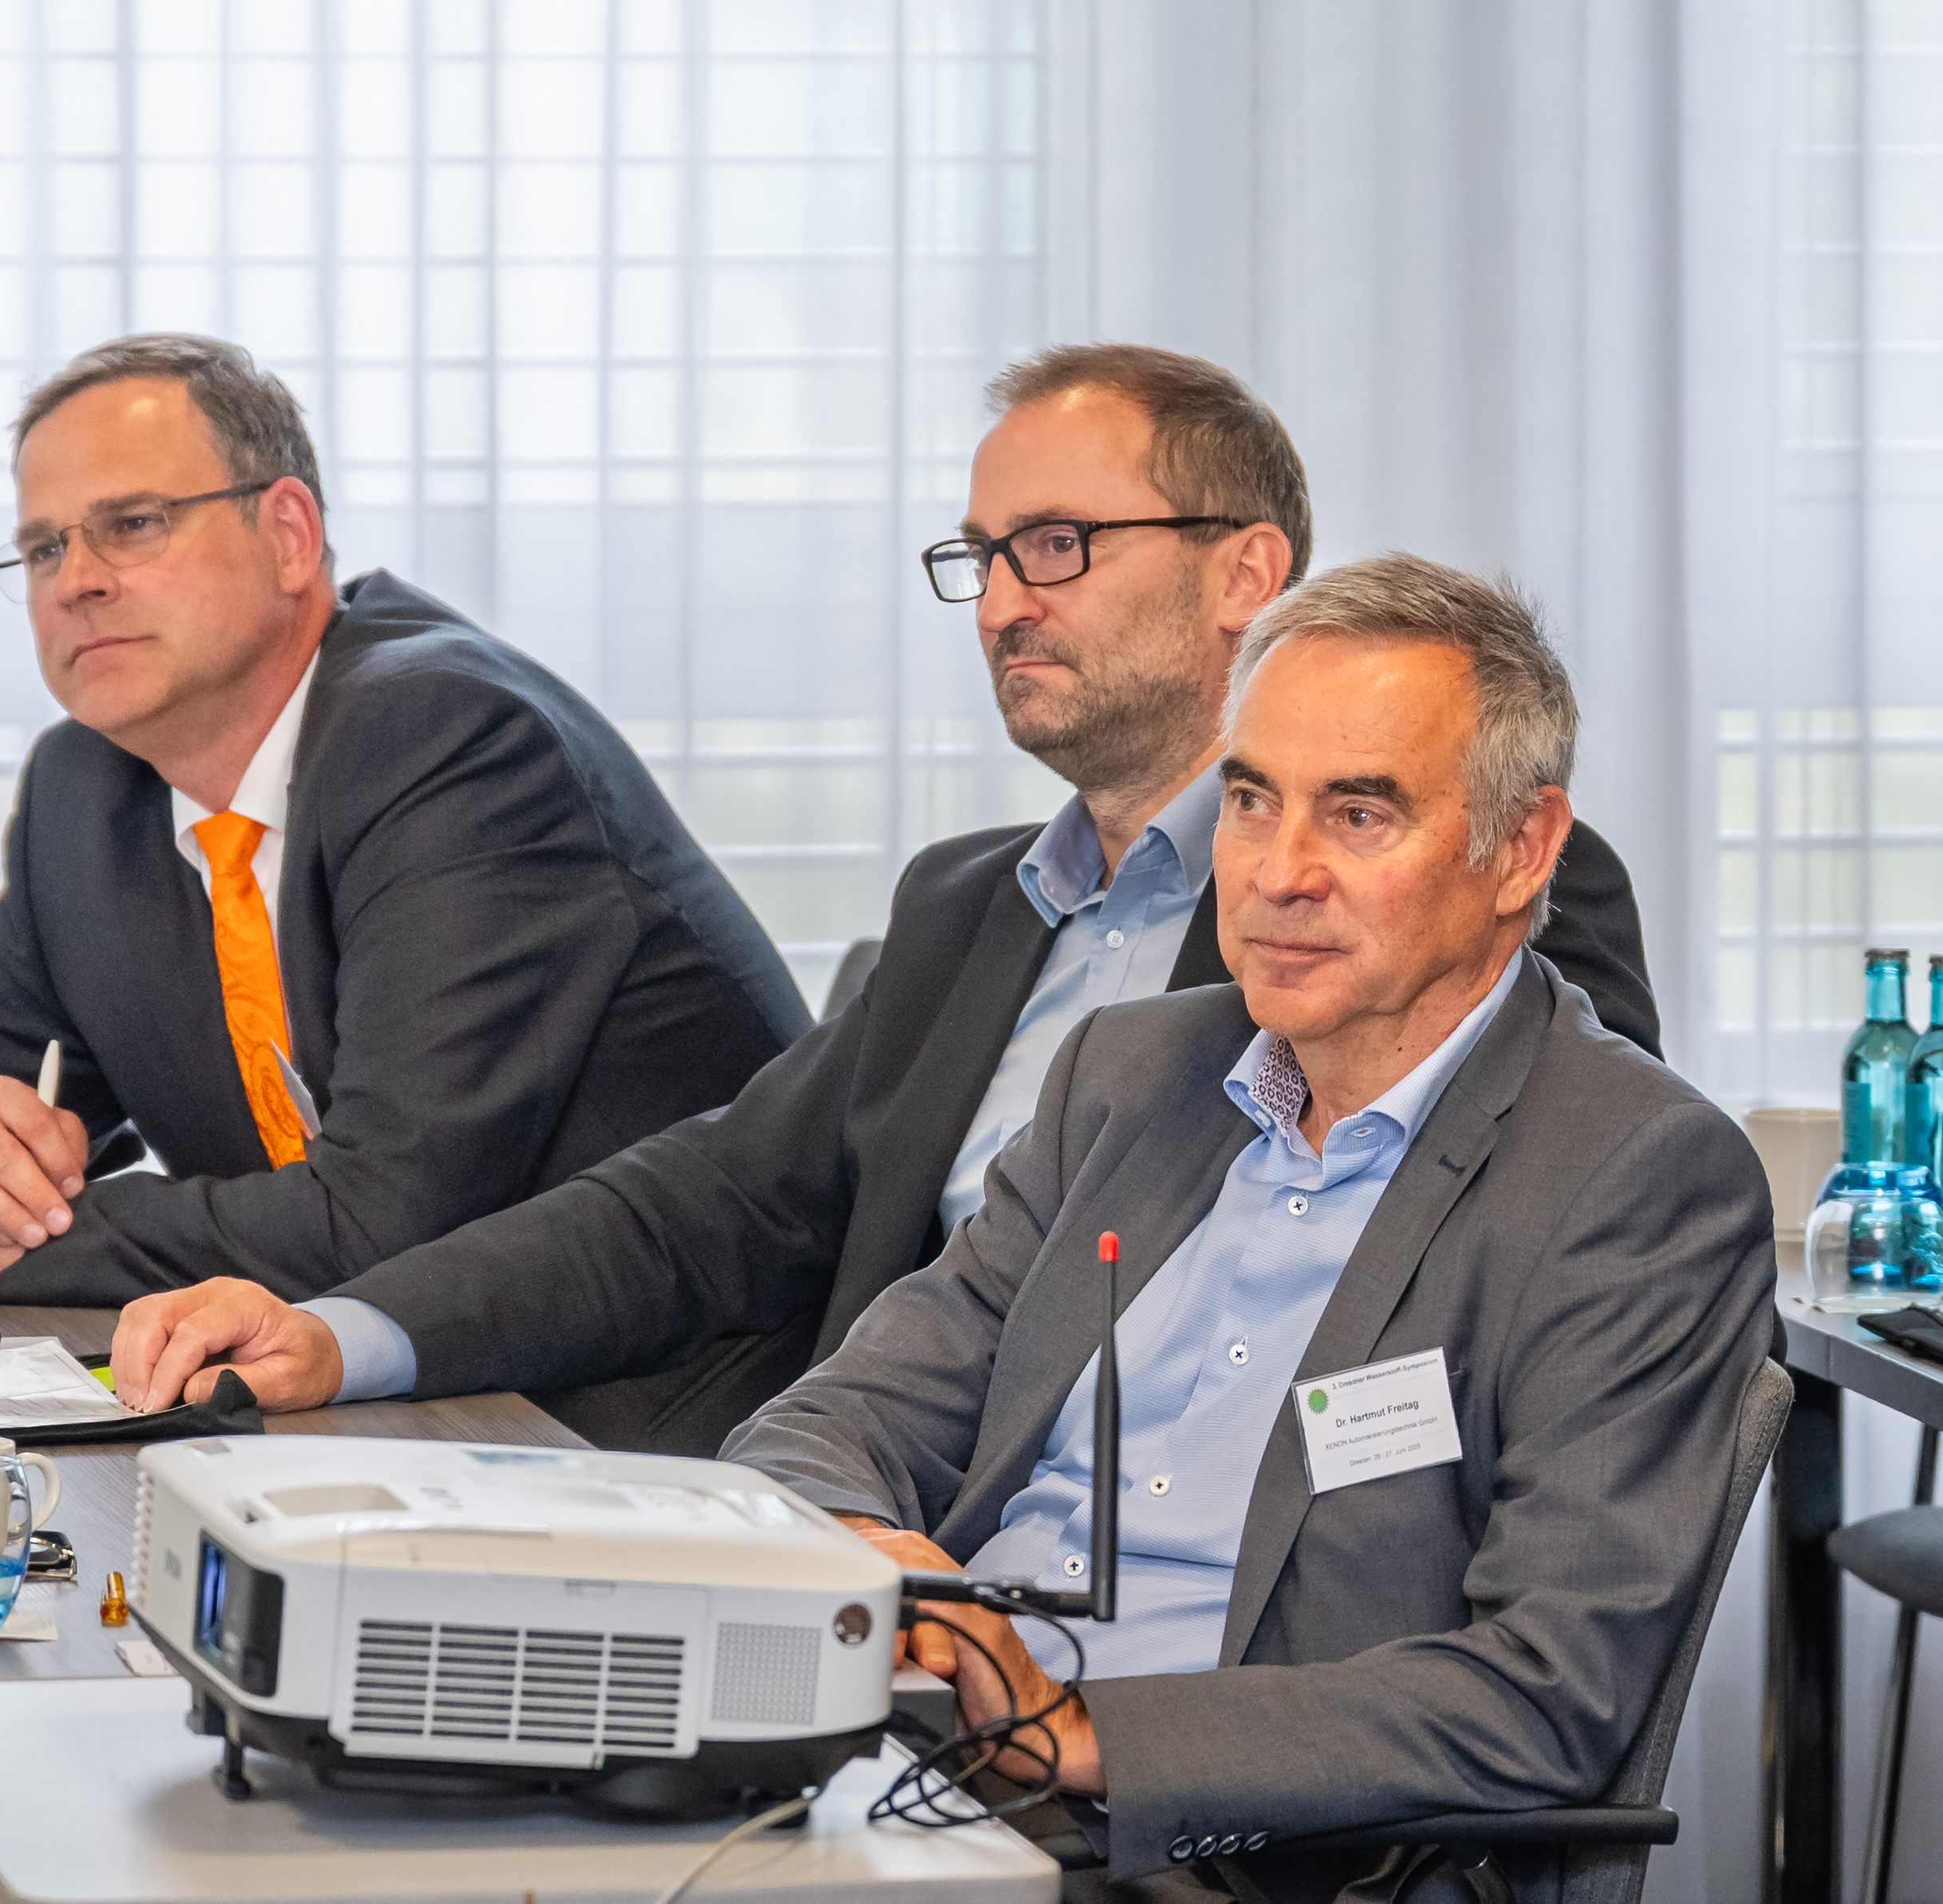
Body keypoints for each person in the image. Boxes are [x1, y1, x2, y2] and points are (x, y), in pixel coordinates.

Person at [108, 345, 1662, 1456]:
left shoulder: (1453, 882)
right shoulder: (971, 904)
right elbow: (707, 1204)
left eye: (1057, 545)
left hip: (1182, 1570)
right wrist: (346, 1331)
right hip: (859, 1490)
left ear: (1246, 568)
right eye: (980, 555)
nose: (1001, 601)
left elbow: (1511, 1279)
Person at [715, 555, 1773, 1898]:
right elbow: (829, 1419)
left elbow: (1545, 1693)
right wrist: (875, 1553)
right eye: (1250, 800)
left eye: (1359, 814)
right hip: (918, 1767)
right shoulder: (1126, 1078)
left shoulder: (1635, 1174)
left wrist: (1080, 1733)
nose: (1279, 874)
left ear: (1518, 850)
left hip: (1230, 1851)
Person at [0, 335, 810, 1434]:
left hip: (633, 1418)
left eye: (132, 525)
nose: (78, 579)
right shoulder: (89, 795)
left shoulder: (445, 735)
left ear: (288, 534)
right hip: (343, 1401)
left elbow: (380, 1218)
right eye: (42, 548)